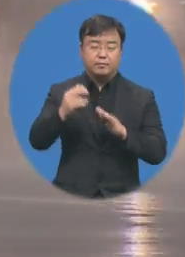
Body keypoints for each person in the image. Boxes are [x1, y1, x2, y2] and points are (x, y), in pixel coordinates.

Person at [28, 14, 167, 198]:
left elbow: (157, 152)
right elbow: (37, 141)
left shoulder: (142, 97)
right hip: (70, 197)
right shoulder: (61, 92)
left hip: (122, 200)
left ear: (121, 52)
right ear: (81, 50)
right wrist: (61, 113)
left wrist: (124, 133)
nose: (102, 54)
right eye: (94, 46)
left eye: (111, 47)